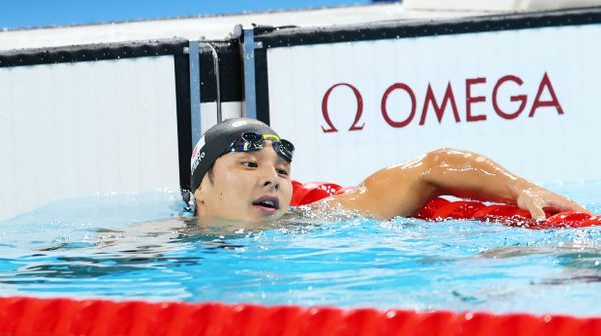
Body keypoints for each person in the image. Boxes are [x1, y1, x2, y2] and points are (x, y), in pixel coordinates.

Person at [188, 118, 589, 223]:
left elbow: (430, 168)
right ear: (200, 188)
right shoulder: (158, 248)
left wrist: (519, 189)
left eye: (282, 170)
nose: (272, 177)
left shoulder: (316, 221)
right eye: (248, 163)